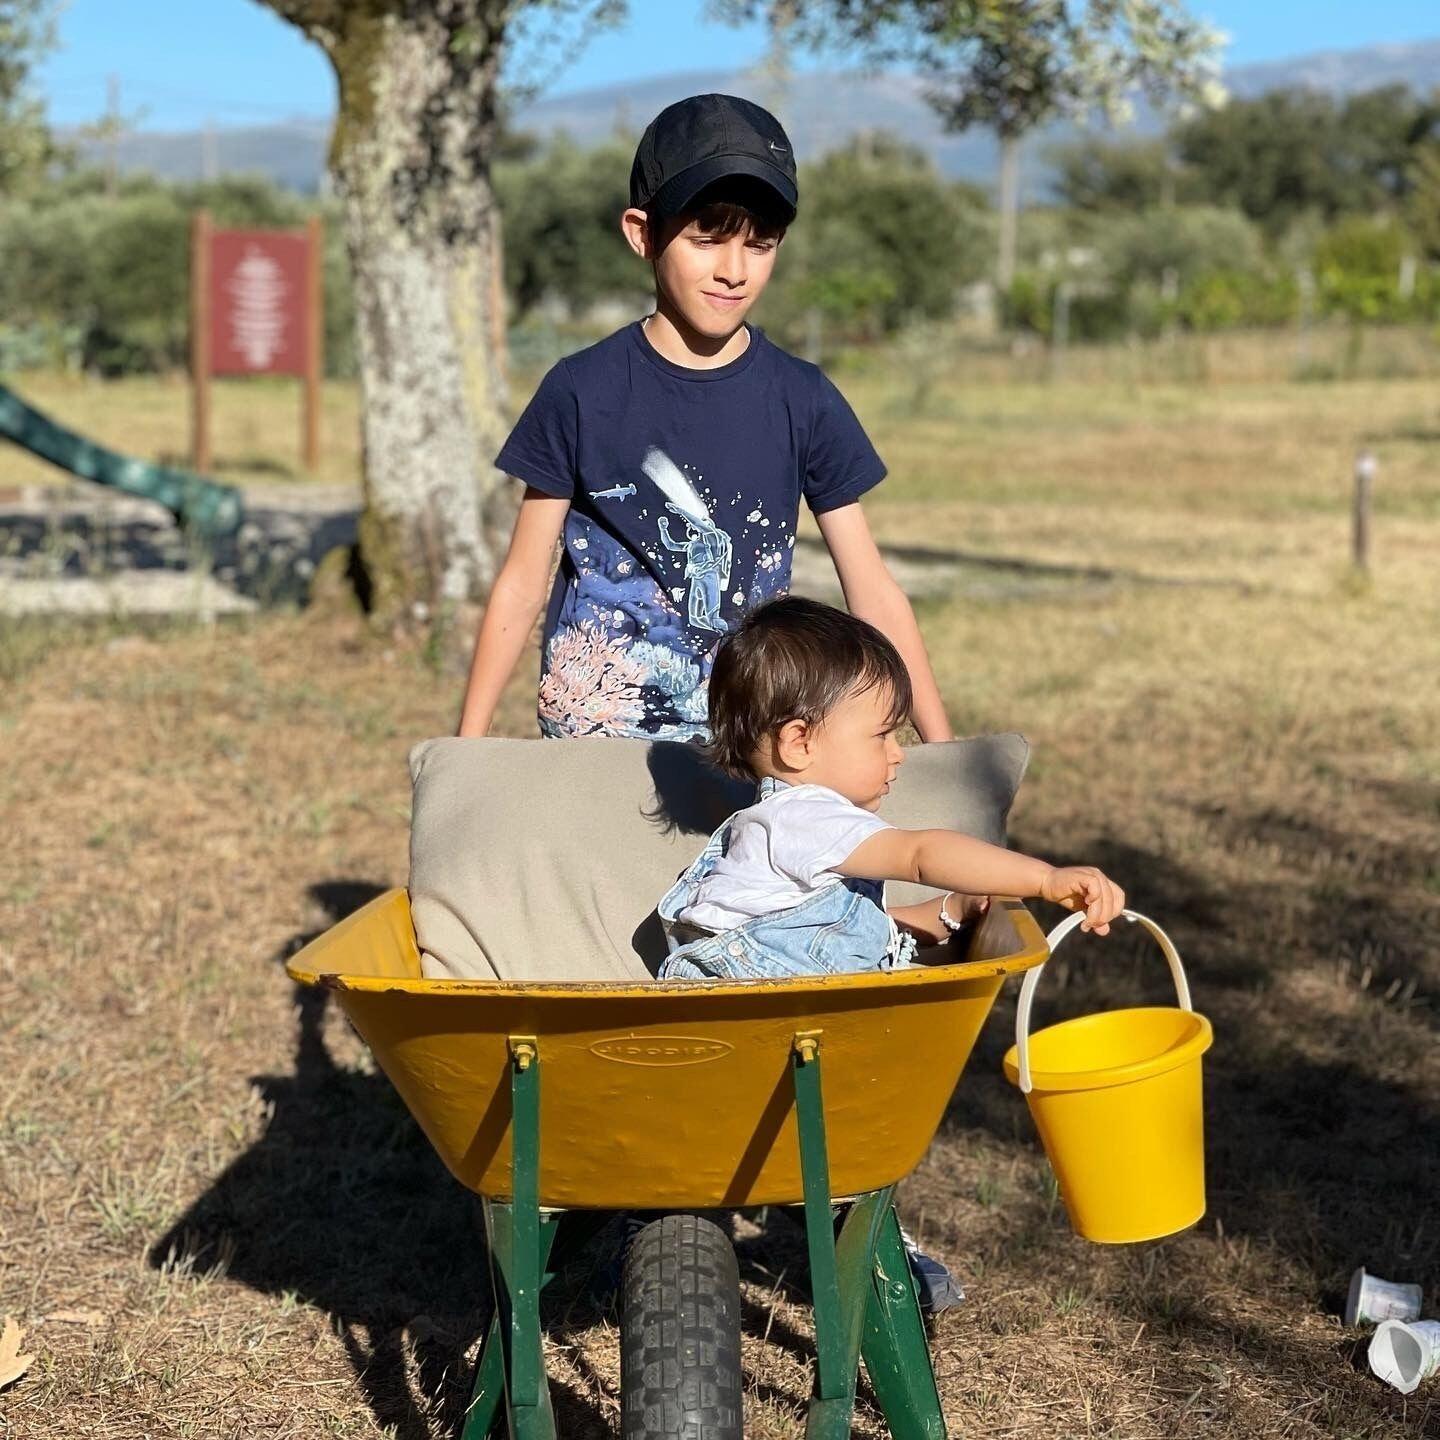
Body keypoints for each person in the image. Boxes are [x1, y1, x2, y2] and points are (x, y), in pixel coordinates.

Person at [655, 596, 1127, 1311]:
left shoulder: (781, 825)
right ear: (799, 744)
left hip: (724, 1044)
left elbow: (830, 925)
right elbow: (922, 849)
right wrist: (1044, 877)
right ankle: (859, 1235)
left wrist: (934, 918)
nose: (898, 752)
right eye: (881, 735)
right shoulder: (807, 818)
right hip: (759, 1048)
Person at [457, 92, 952, 744]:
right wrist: (466, 747)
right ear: (642, 234)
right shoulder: (580, 390)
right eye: (707, 239)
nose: (733, 271)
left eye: (760, 245)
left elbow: (873, 591)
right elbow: (523, 583)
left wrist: (945, 755)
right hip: (596, 735)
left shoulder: (803, 398)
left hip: (751, 737)